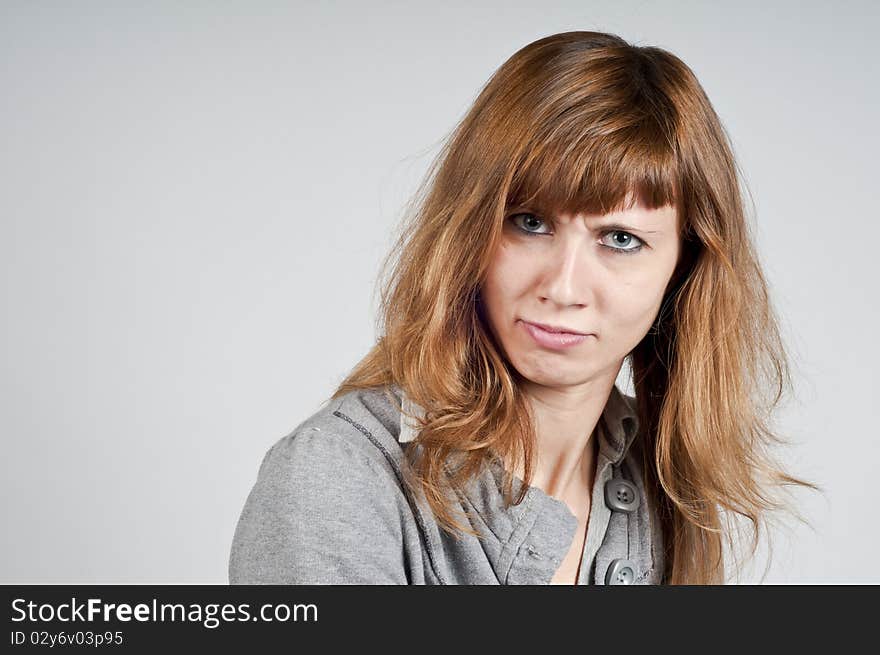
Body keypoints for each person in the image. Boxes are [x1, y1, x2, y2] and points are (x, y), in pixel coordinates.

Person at [228, 30, 817, 585]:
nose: (562, 287)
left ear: (684, 269)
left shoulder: (667, 493)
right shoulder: (338, 478)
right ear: (469, 233)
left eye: (620, 239)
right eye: (529, 223)